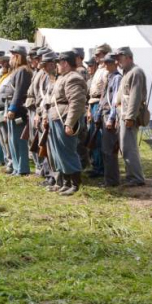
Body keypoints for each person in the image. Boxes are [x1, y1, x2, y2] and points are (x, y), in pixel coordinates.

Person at [46, 51, 88, 196]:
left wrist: (70, 123)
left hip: (64, 118)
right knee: (58, 153)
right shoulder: (63, 78)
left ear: (65, 63)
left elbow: (76, 102)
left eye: (58, 62)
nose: (56, 65)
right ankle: (66, 182)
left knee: (68, 152)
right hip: (57, 117)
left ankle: (75, 184)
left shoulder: (73, 78)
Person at [115, 47, 147, 186]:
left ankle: (136, 178)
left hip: (129, 116)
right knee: (125, 146)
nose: (118, 61)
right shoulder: (127, 72)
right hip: (124, 114)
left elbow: (135, 96)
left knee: (129, 147)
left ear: (128, 57)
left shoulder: (136, 72)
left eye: (120, 58)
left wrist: (130, 117)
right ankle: (131, 176)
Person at [4, 45, 33, 176]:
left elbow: (19, 92)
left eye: (13, 55)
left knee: (18, 139)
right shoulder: (17, 71)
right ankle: (16, 167)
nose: (11, 58)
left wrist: (12, 108)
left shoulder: (23, 70)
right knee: (12, 139)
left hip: (18, 109)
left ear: (19, 56)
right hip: (11, 105)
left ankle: (22, 168)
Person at [99, 51, 123, 187]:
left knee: (109, 149)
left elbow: (115, 101)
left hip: (110, 115)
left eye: (108, 62)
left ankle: (112, 180)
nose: (105, 65)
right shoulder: (109, 76)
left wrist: (111, 118)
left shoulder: (117, 78)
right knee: (105, 149)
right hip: (104, 113)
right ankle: (109, 179)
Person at [33, 50, 56, 181]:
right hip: (43, 112)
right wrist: (39, 113)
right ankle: (48, 174)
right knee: (46, 145)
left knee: (50, 146)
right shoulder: (45, 76)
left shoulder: (55, 78)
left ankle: (52, 176)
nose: (44, 68)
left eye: (46, 65)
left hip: (51, 114)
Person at [85, 49, 106, 178]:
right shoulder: (98, 72)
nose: (89, 67)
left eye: (99, 55)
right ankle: (96, 166)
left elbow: (104, 92)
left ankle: (100, 168)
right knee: (93, 137)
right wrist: (89, 110)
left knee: (98, 138)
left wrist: (97, 110)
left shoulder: (104, 72)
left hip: (99, 104)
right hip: (93, 103)